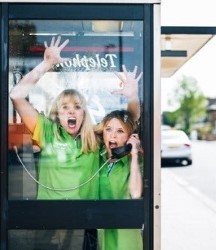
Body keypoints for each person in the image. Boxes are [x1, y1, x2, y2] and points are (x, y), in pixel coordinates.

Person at [9, 36, 142, 249]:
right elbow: (16, 95)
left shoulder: (93, 136)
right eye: (65, 107)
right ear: (58, 114)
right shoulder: (47, 130)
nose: (71, 111)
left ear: (83, 113)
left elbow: (127, 122)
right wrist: (46, 65)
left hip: (84, 223)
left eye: (77, 107)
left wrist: (132, 96)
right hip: (49, 221)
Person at [95, 110, 143, 250]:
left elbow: (135, 193)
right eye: (108, 129)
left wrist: (133, 154)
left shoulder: (134, 164)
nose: (113, 135)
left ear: (129, 137)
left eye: (120, 131)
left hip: (125, 234)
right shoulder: (96, 159)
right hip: (102, 230)